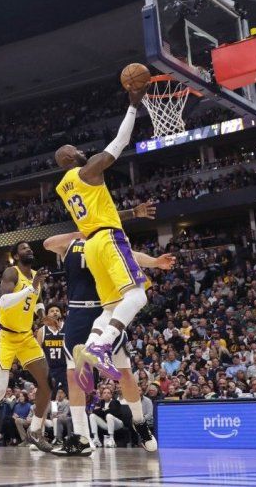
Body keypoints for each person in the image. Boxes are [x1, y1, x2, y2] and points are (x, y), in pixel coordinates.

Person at [43, 226, 173, 456]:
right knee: (73, 375)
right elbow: (47, 244)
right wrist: (80, 234)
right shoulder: (71, 243)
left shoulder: (107, 238)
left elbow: (130, 255)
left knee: (124, 373)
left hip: (108, 310)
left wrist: (155, 262)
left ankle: (140, 423)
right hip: (77, 312)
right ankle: (81, 438)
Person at [53, 84, 151, 380]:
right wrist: (133, 105)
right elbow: (119, 143)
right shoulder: (86, 171)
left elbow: (97, 217)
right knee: (138, 297)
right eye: (76, 150)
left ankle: (91, 345)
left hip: (93, 244)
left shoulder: (64, 187)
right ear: (69, 159)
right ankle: (102, 345)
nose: (82, 151)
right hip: (108, 239)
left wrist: (132, 213)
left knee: (111, 308)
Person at [0, 241, 54, 454]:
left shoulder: (35, 276)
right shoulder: (11, 272)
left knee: (47, 383)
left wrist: (42, 316)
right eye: (24, 248)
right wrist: (30, 287)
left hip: (25, 336)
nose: (29, 249)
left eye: (30, 247)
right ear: (16, 255)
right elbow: (4, 302)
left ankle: (35, 431)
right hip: (5, 335)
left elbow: (38, 300)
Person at [36, 304, 67, 398]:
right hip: (49, 369)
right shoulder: (42, 331)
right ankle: (52, 408)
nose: (55, 312)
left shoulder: (67, 328)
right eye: (52, 311)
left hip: (65, 368)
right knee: (50, 396)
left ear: (61, 314)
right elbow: (38, 352)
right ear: (47, 315)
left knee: (69, 394)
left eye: (57, 311)